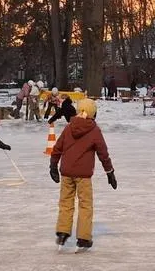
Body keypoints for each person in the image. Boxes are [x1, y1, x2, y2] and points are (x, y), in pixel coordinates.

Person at [49, 98, 115, 252]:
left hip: (66, 173)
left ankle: (62, 233)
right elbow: (103, 153)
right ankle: (83, 238)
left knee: (66, 203)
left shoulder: (69, 127)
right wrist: (110, 171)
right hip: (83, 175)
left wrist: (53, 165)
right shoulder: (94, 130)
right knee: (85, 204)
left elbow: (57, 148)